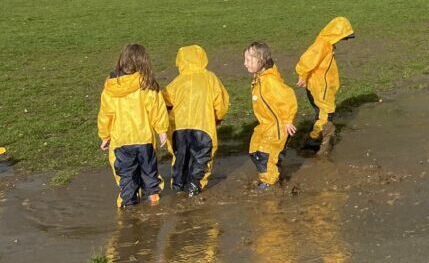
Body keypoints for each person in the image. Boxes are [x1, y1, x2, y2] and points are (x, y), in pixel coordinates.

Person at [97, 43, 169, 208]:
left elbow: (105, 114)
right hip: (144, 139)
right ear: (144, 62)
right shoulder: (147, 84)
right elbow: (157, 109)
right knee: (149, 173)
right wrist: (162, 130)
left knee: (126, 175)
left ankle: (128, 208)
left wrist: (105, 135)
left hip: (121, 141)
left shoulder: (111, 87)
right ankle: (153, 201)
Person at [163, 44, 230, 196]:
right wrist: (218, 117)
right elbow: (221, 102)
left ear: (180, 61)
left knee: (181, 157)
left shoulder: (177, 82)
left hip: (179, 129)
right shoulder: (210, 78)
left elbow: (164, 101)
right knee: (202, 157)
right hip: (203, 127)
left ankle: (178, 186)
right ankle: (195, 184)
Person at [296, 17, 354, 151]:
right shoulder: (323, 45)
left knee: (321, 113)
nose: (344, 40)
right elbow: (307, 60)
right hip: (320, 88)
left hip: (322, 87)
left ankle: (315, 137)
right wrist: (303, 75)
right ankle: (315, 140)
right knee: (326, 114)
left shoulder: (327, 43)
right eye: (344, 36)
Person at [245, 42, 297, 189]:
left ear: (261, 61)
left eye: (249, 60)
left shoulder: (270, 81)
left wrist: (288, 120)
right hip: (266, 125)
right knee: (254, 151)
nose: (245, 63)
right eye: (245, 59)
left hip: (278, 127)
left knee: (264, 156)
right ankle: (274, 173)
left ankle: (270, 185)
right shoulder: (260, 77)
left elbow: (288, 97)